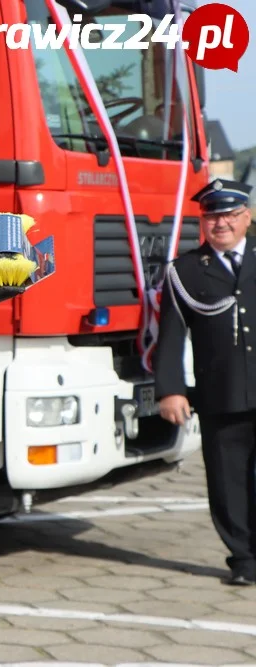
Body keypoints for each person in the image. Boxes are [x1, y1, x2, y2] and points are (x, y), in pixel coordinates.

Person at [154, 178, 255, 586]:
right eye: (213, 216)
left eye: (231, 215)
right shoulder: (186, 271)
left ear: (247, 217)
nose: (222, 224)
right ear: (203, 222)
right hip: (221, 394)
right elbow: (172, 335)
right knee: (227, 483)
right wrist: (171, 389)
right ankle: (245, 558)